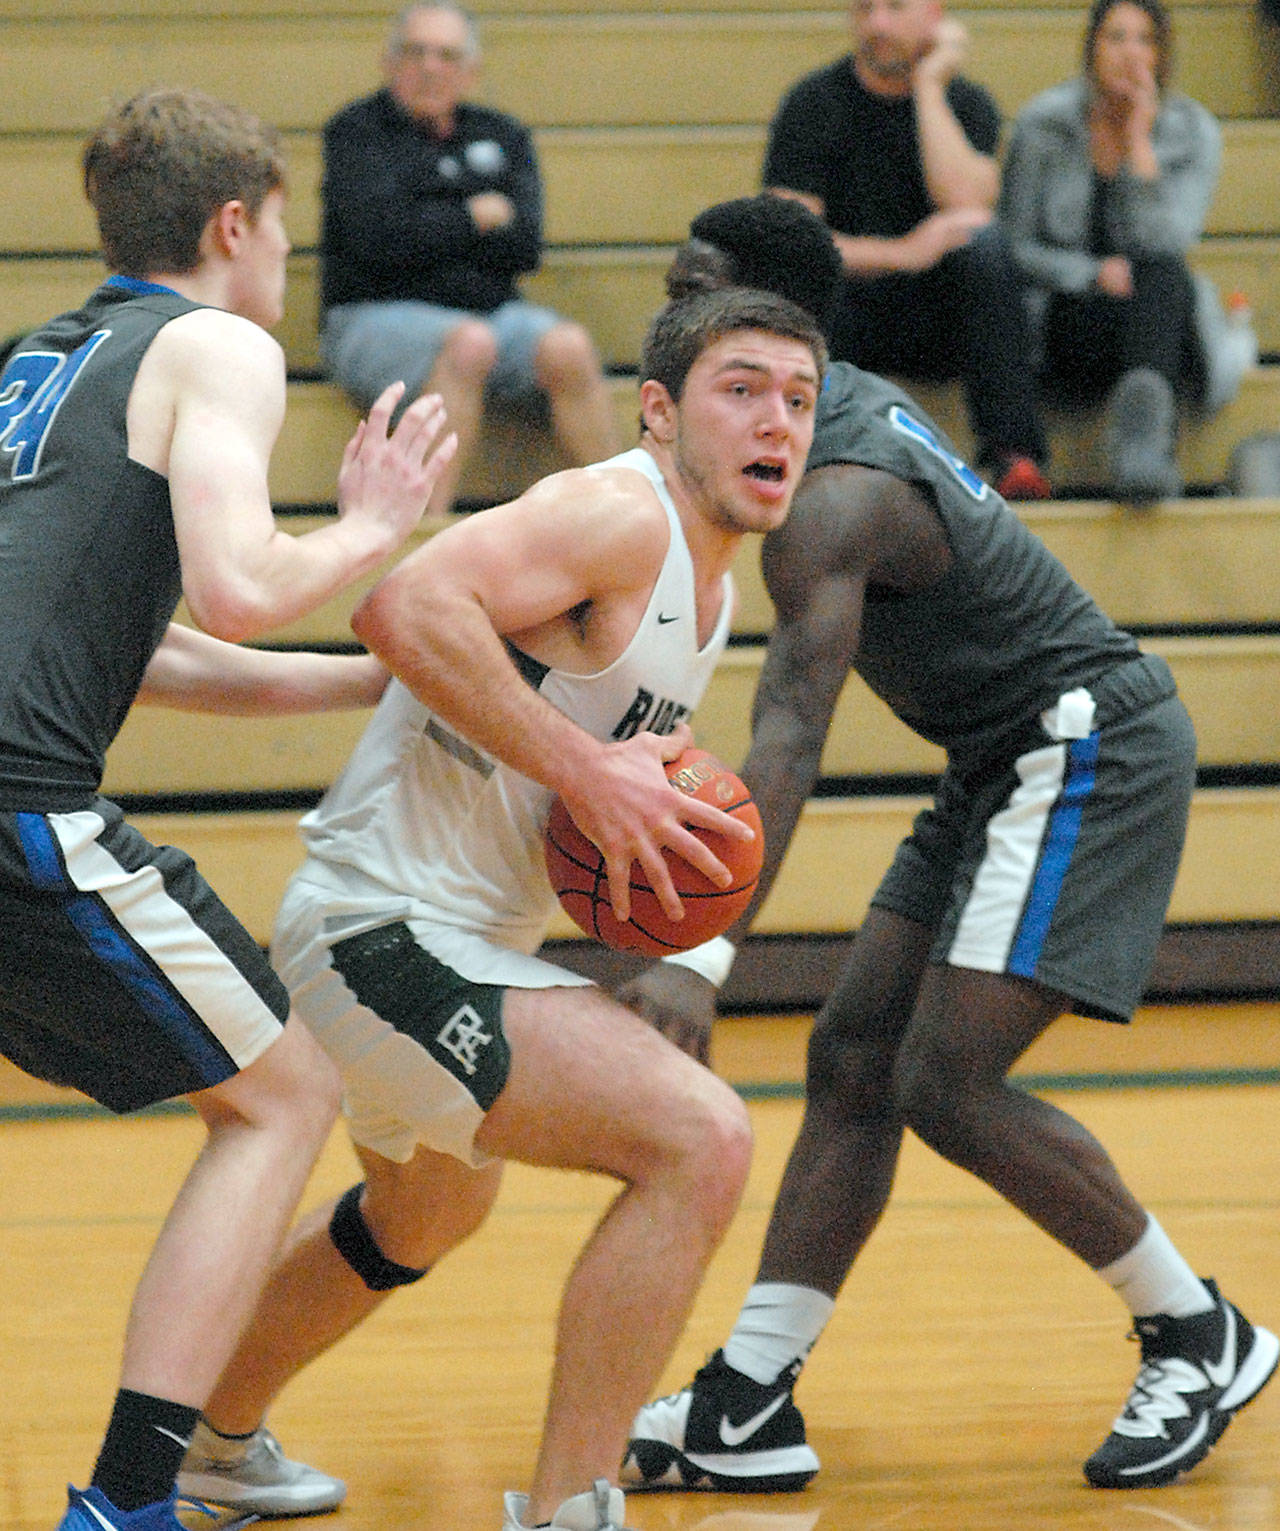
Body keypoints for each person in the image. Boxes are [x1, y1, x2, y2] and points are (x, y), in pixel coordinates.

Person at [614, 194, 1278, 1496]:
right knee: (855, 1052)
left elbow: (793, 727)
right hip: (1003, 752)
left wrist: (699, 954)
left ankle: (1197, 1328)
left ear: (777, 328)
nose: (668, 311)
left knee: (947, 1079)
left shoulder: (838, 494)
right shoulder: (784, 432)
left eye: (699, 287)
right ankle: (750, 1394)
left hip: (1091, 743)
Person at [166, 286, 828, 1531]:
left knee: (425, 1209)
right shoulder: (612, 511)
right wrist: (585, 771)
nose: (775, 420)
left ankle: (209, 1443)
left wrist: (649, 861)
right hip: (383, 927)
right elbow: (403, 606)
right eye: (740, 388)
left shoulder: (713, 584)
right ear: (656, 410)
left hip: (444, 935)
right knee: (702, 1143)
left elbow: (584, 752)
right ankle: (574, 1506)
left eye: (797, 399)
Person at [0, 87, 457, 1531]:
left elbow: (139, 646)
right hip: (17, 800)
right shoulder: (217, 344)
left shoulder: (47, 359)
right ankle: (142, 1489)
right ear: (236, 223)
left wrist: (358, 688)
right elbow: (241, 583)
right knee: (282, 1094)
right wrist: (378, 529)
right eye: (286, 235)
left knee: (262, 1093)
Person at [320, 1, 621, 517]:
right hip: (369, 317)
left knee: (567, 346)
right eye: (416, 52)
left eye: (447, 55)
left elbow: (525, 246)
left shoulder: (503, 133)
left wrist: (427, 222)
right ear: (389, 61)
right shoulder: (356, 133)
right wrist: (472, 219)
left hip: (492, 314)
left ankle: (627, 516)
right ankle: (422, 533)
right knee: (469, 344)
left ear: (471, 70)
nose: (430, 67)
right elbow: (377, 246)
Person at [761, 0, 1051, 501]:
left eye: (894, 7)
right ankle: (811, 448)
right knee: (790, 278)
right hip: (849, 316)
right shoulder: (812, 102)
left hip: (944, 320)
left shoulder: (966, 103)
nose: (876, 23)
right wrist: (903, 253)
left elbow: (969, 207)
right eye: (865, 8)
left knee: (986, 249)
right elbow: (792, 241)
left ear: (934, 14)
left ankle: (1011, 454)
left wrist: (929, 87)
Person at [1000, 0, 1250, 505]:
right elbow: (1016, 247)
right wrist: (1091, 273)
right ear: (1092, 47)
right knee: (1157, 280)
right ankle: (1144, 434)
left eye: (1145, 39)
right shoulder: (1042, 125)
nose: (1129, 53)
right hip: (1068, 323)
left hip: (1157, 326)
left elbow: (1169, 243)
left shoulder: (1192, 131)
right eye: (1115, 37)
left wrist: (1140, 143)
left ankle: (1141, 445)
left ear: (1162, 55)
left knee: (1162, 271)